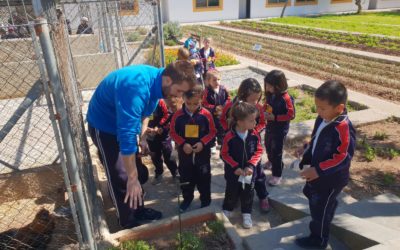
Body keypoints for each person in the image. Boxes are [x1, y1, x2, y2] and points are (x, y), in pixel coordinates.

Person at [87, 61, 197, 229]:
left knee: (137, 173)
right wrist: (132, 178)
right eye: (179, 90)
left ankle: (138, 210)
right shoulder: (136, 87)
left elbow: (145, 113)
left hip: (122, 122)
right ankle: (127, 222)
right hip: (105, 127)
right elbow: (126, 135)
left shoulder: (158, 82)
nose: (179, 96)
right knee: (121, 176)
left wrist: (143, 136)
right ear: (168, 80)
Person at [295, 80, 356, 249]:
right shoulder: (322, 118)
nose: (318, 112)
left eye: (322, 108)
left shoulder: (343, 128)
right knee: (309, 193)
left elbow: (343, 157)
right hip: (318, 173)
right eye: (317, 107)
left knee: (319, 211)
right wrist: (306, 148)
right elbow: (316, 138)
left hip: (331, 179)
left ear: (339, 108)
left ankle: (318, 240)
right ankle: (331, 204)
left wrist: (318, 170)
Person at [220, 78, 270, 213]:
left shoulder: (257, 108)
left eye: (257, 99)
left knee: (257, 172)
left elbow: (262, 123)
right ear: (243, 95)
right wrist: (229, 131)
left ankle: (263, 196)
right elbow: (223, 119)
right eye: (252, 99)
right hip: (235, 142)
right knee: (232, 173)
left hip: (252, 143)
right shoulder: (231, 106)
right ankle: (234, 196)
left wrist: (253, 130)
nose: (255, 103)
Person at [170, 86, 217, 212]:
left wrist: (202, 143)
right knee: (186, 177)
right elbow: (173, 132)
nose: (191, 107)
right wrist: (182, 143)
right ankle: (187, 199)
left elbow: (212, 132)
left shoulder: (206, 114)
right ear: (183, 98)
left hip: (202, 153)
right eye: (188, 103)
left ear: (201, 99)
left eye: (195, 103)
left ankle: (205, 201)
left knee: (204, 177)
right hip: (185, 154)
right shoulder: (177, 115)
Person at [221, 101, 263, 229]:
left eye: (255, 120)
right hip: (233, 173)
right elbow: (224, 154)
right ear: (239, 121)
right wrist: (235, 167)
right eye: (251, 121)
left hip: (249, 173)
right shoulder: (229, 136)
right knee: (231, 191)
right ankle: (227, 208)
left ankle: (246, 213)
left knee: (248, 193)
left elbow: (259, 151)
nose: (255, 123)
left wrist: (250, 165)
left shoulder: (254, 134)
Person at [264, 70, 295, 186]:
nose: (267, 88)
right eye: (266, 85)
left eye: (269, 86)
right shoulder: (271, 95)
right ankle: (271, 161)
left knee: (276, 151)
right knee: (267, 145)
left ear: (278, 86)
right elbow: (267, 106)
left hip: (280, 130)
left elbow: (291, 115)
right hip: (270, 126)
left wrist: (275, 117)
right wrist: (264, 110)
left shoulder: (286, 98)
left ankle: (277, 174)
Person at [146, 98, 180, 185]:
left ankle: (175, 172)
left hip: (163, 134)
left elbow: (167, 115)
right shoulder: (141, 102)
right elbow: (138, 117)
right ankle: (159, 173)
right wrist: (145, 129)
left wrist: (160, 126)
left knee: (168, 155)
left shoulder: (160, 101)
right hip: (150, 134)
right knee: (155, 156)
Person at [201, 69, 230, 150]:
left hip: (222, 114)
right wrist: (214, 108)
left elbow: (228, 98)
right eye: (214, 80)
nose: (217, 82)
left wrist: (224, 106)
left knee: (222, 128)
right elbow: (204, 103)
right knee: (212, 129)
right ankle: (212, 144)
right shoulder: (207, 91)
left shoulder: (223, 89)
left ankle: (222, 142)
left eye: (218, 79)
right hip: (212, 115)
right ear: (208, 81)